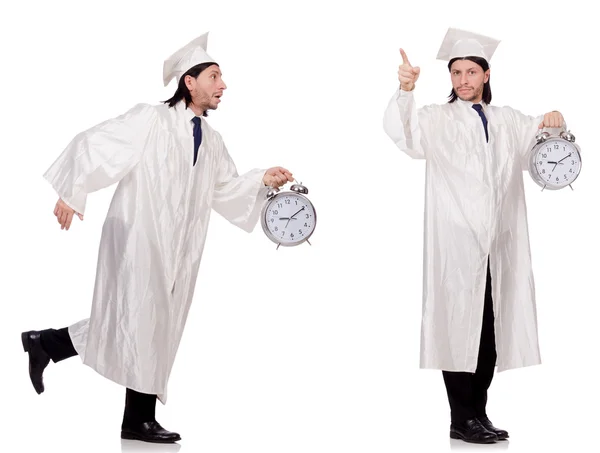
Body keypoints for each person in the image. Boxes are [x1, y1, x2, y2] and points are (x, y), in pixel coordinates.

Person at [21, 31, 294, 444]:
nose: (223, 85)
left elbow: (226, 190)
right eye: (215, 76)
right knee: (143, 319)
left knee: (145, 321)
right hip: (139, 235)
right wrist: (71, 190)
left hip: (179, 247)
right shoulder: (152, 119)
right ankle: (137, 417)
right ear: (190, 81)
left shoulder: (213, 141)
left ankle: (49, 344)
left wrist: (262, 179)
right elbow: (98, 143)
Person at [382, 27, 566, 444]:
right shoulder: (436, 117)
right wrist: (405, 90)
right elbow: (403, 133)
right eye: (455, 73)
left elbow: (543, 142)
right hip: (456, 244)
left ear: (485, 74)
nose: (462, 80)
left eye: (470, 72)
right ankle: (460, 417)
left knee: (489, 331)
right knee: (458, 328)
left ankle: (477, 413)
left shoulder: (507, 120)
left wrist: (554, 117)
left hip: (498, 245)